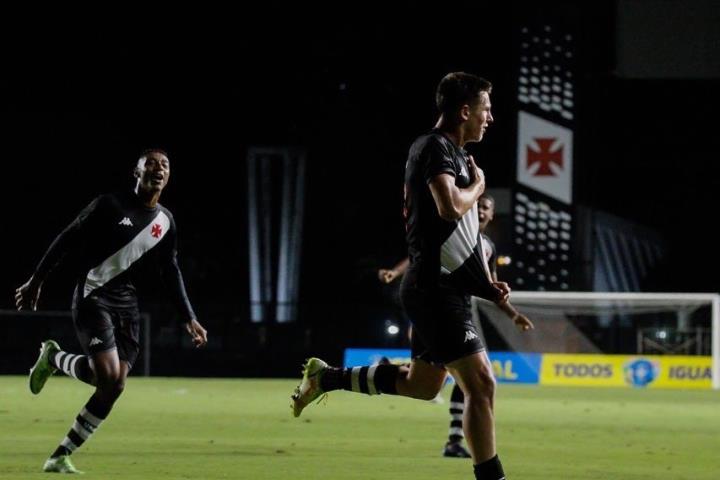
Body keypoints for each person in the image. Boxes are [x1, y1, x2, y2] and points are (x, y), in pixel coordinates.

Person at [291, 72, 533, 480]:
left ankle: (327, 377)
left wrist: (485, 285)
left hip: (444, 289)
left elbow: (459, 239)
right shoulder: (433, 147)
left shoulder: (456, 155)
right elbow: (449, 208)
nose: (490, 118)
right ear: (464, 110)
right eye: (486, 109)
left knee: (423, 386)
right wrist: (479, 186)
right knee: (482, 385)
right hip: (434, 290)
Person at [15, 149, 208, 474]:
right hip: (93, 295)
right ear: (136, 172)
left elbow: (169, 270)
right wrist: (37, 280)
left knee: (114, 383)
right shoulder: (109, 205)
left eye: (164, 165)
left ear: (169, 175)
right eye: (151, 164)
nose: (158, 169)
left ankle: (60, 450)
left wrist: (189, 316)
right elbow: (67, 237)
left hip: (126, 305)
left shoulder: (165, 221)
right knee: (107, 376)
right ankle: (54, 366)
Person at [378, 194, 532, 459]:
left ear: (492, 215)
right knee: (473, 379)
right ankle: (461, 447)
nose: (481, 211)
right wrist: (396, 271)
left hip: (457, 314)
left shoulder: (488, 247)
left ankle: (453, 440)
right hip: (439, 310)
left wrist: (514, 315)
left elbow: (493, 287)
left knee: (426, 386)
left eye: (486, 208)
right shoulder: (453, 231)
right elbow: (417, 254)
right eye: (477, 206)